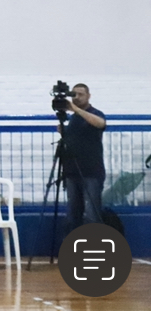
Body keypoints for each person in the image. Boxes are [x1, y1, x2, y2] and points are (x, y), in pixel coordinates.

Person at [59, 83, 106, 231]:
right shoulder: (73, 119)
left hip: (91, 172)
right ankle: (74, 249)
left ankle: (94, 250)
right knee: (73, 214)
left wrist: (76, 109)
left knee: (92, 215)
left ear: (88, 96)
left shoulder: (95, 113)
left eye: (81, 94)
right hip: (72, 171)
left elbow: (100, 123)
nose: (77, 98)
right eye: (74, 95)